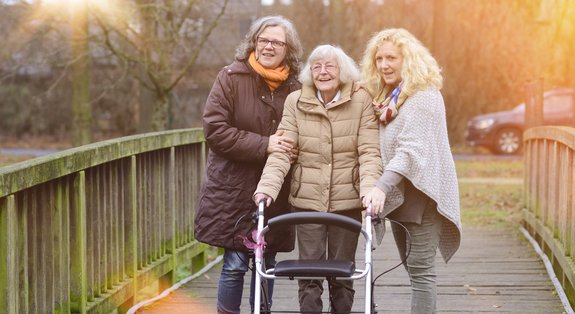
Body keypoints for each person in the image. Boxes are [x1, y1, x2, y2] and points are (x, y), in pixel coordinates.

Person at [254, 44, 385, 314]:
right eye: (317, 67)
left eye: (330, 66)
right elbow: (282, 153)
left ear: (343, 71)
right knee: (308, 273)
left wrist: (370, 189)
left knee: (343, 273)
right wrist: (266, 188)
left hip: (347, 201)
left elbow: (370, 152)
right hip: (307, 202)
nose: (323, 72)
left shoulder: (361, 100)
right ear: (309, 73)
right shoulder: (296, 101)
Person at [194, 15, 303, 314]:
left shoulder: (298, 86)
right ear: (253, 42)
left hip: (275, 188)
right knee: (234, 264)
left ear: (287, 48)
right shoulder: (230, 77)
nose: (268, 47)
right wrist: (265, 143)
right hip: (233, 187)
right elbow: (214, 130)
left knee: (267, 262)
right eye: (263, 40)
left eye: (276, 42)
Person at [360, 28, 462, 314]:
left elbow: (411, 151)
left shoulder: (423, 97)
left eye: (391, 58)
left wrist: (380, 186)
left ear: (409, 59)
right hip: (403, 196)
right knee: (412, 268)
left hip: (424, 196)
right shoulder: (389, 99)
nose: (384, 65)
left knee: (421, 271)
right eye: (379, 59)